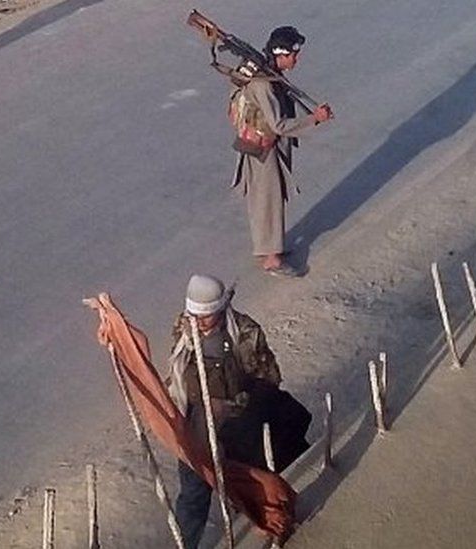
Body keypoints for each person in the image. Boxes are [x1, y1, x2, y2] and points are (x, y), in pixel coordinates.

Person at [167, 275, 310, 549]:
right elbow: (176, 372)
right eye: (194, 316)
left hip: (239, 427)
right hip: (197, 426)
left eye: (206, 317)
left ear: (221, 310)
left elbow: (268, 381)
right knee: (193, 494)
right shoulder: (183, 328)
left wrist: (233, 407)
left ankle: (274, 528)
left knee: (247, 488)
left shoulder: (245, 333)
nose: (198, 323)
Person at [230, 26, 333, 277]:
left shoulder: (268, 74)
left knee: (268, 198)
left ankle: (271, 247)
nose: (296, 59)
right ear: (281, 53)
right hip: (263, 149)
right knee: (268, 200)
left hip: (261, 146)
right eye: (293, 54)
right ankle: (271, 259)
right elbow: (279, 125)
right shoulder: (264, 85)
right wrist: (314, 119)